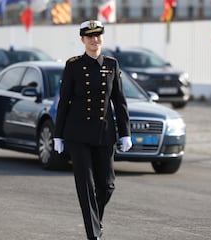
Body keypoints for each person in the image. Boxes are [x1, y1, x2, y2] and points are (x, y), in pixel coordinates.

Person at [54, 20, 132, 240]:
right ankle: (94, 234)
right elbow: (64, 102)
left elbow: (120, 101)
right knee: (85, 185)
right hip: (77, 134)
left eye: (97, 36)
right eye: (89, 37)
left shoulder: (111, 64)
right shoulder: (73, 65)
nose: (94, 40)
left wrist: (125, 132)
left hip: (104, 133)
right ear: (82, 40)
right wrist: (58, 135)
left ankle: (95, 220)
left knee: (107, 185)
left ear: (102, 38)